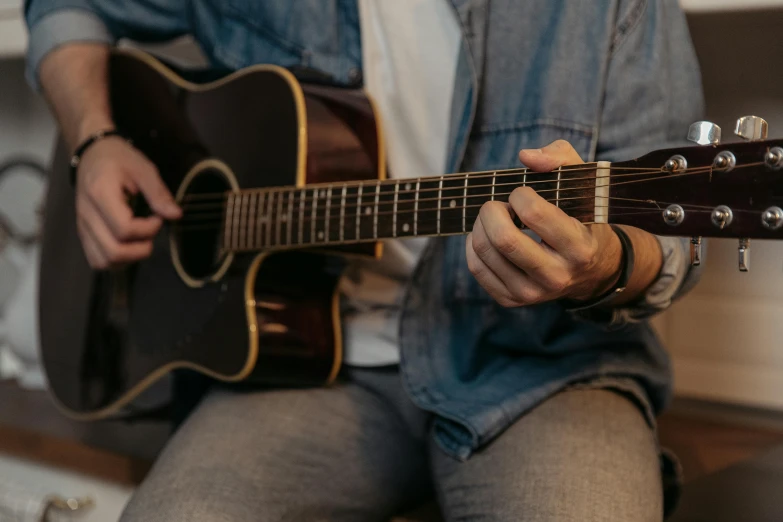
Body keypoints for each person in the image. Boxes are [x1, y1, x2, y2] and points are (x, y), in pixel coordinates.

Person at [23, 1, 704, 520]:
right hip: (312, 365)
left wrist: (603, 262)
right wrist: (95, 139)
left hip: (546, 370)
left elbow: (671, 232)